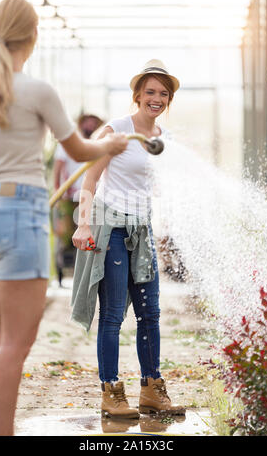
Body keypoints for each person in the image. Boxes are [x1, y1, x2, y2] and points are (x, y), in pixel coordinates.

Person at [0, 0, 128, 436]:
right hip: (20, 214)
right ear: (33, 36)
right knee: (13, 347)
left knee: (5, 342)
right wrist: (111, 145)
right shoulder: (37, 90)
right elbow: (79, 150)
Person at [71, 59, 186, 419]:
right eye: (150, 91)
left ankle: (152, 389)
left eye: (163, 93)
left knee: (150, 313)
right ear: (137, 95)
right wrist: (83, 225)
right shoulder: (116, 130)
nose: (157, 98)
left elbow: (153, 188)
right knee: (113, 315)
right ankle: (111, 391)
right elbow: (89, 181)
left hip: (142, 228)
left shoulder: (161, 140)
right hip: (112, 229)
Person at [53, 114, 104, 286]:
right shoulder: (68, 144)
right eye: (88, 121)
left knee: (87, 233)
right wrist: (58, 192)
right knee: (66, 235)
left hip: (89, 197)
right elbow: (58, 168)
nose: (91, 125)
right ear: (81, 123)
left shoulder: (98, 143)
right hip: (69, 197)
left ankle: (81, 275)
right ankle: (60, 274)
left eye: (94, 122)